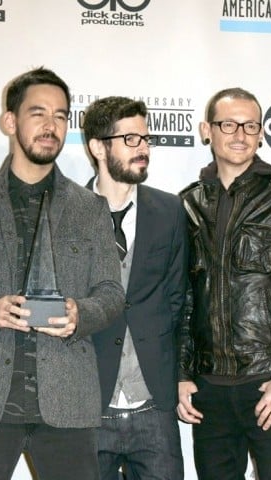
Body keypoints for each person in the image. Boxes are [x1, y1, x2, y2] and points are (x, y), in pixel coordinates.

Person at [0, 67, 125, 480]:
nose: (51, 126)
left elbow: (111, 292)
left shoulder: (90, 208)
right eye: (38, 113)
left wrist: (79, 314)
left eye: (61, 115)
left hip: (68, 401)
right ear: (10, 121)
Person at [176, 87, 271, 480]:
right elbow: (181, 299)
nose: (240, 134)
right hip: (208, 390)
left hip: (269, 386)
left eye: (250, 125)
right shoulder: (188, 204)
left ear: (261, 133)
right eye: (228, 124)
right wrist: (181, 373)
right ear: (206, 130)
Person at [82, 96, 187, 479]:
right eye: (129, 139)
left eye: (145, 138)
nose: (142, 148)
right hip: (88, 406)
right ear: (98, 146)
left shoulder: (169, 210)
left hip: (154, 406)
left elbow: (178, 299)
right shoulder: (67, 211)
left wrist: (178, 377)